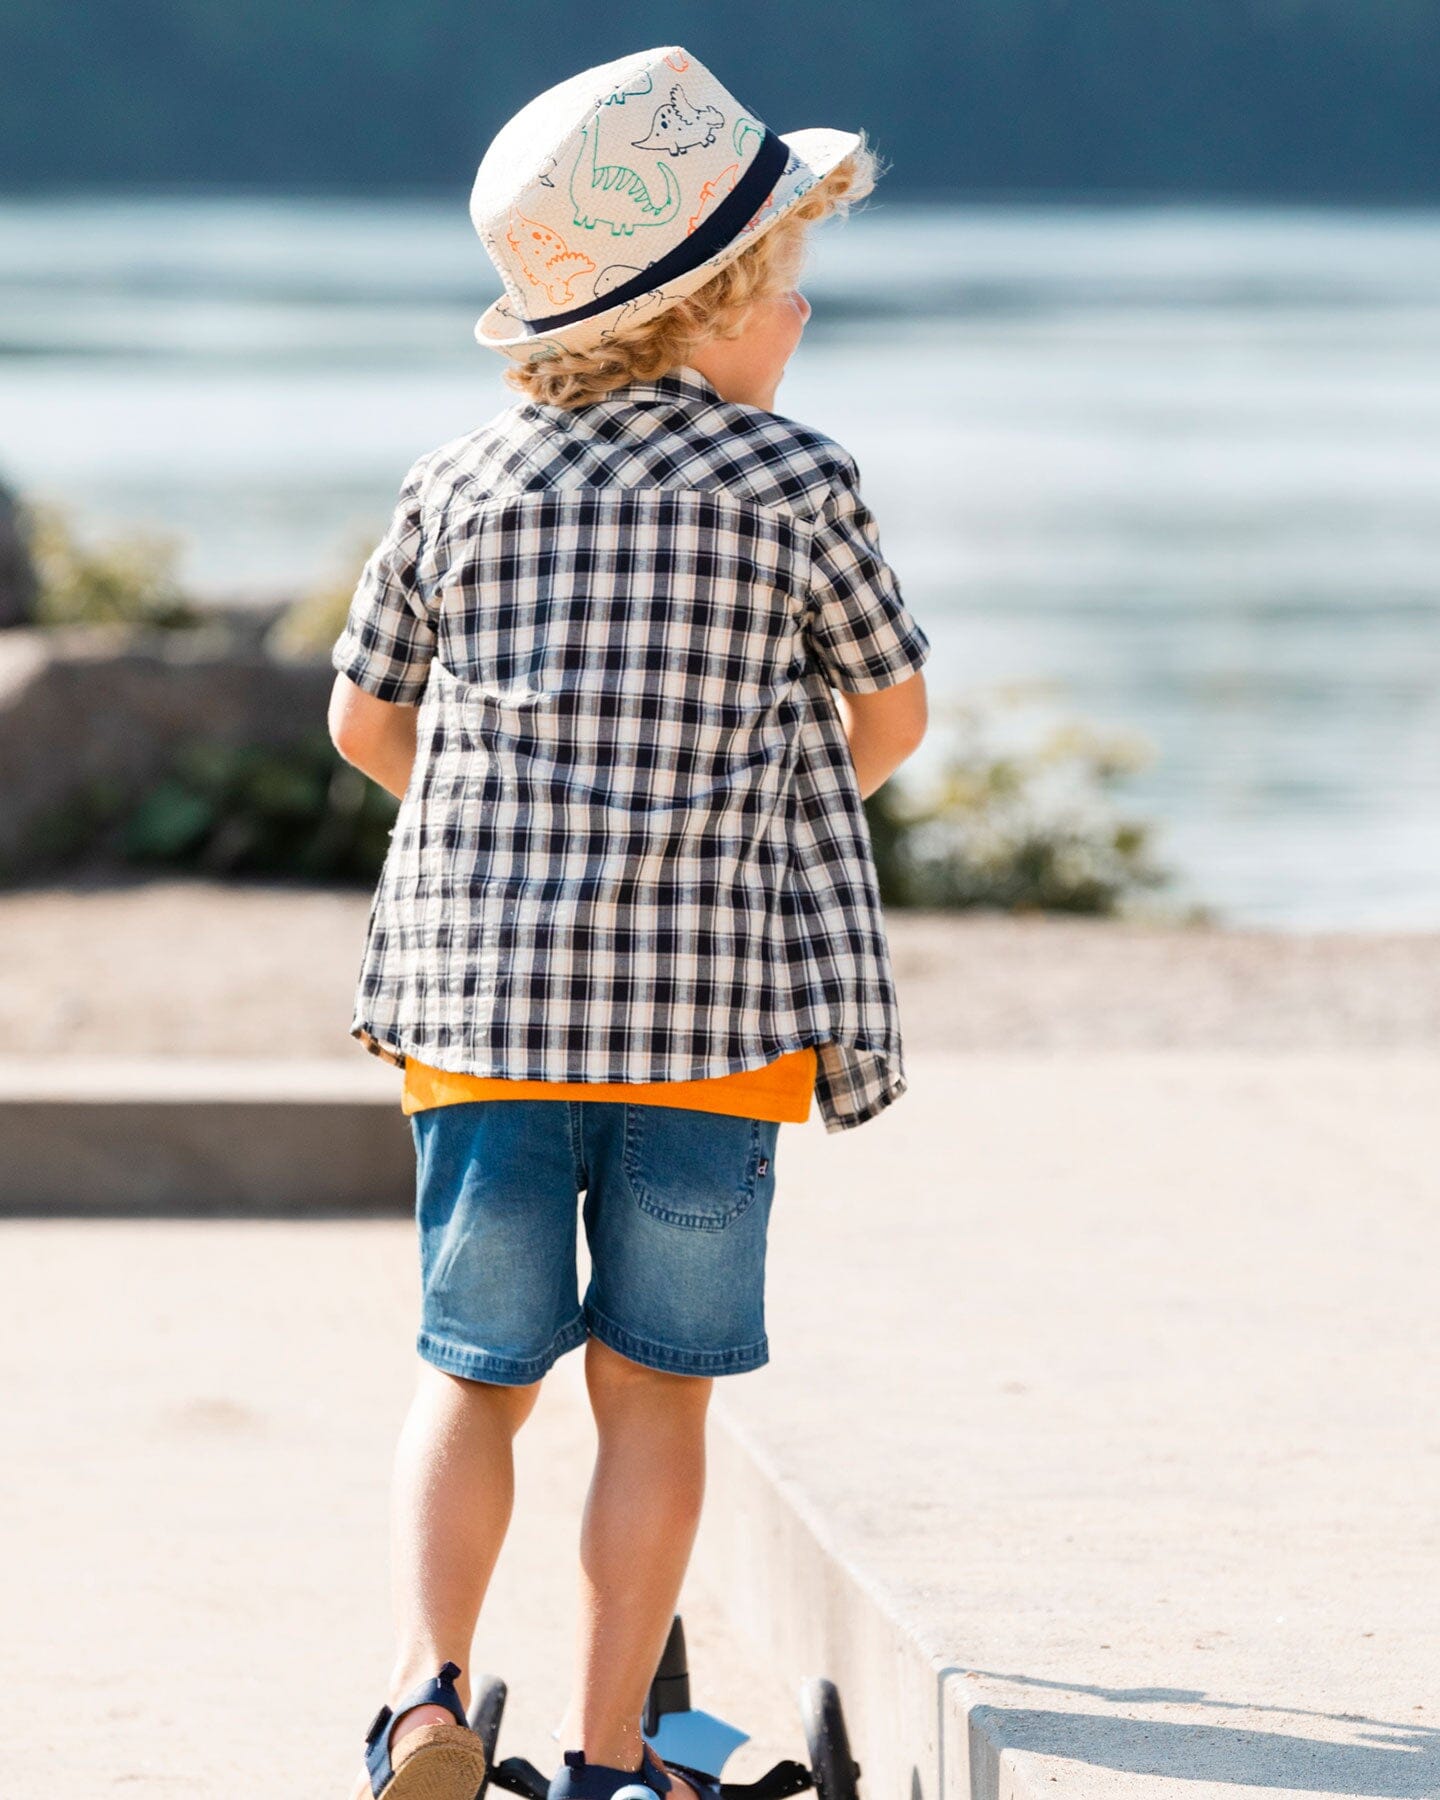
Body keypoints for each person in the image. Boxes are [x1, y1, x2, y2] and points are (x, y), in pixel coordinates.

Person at [327, 43, 931, 1800]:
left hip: (483, 1023)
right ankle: (610, 1757)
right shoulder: (795, 481)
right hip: (712, 1030)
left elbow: (366, 723)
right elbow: (891, 716)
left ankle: (423, 1701)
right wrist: (730, 826)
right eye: (787, 283)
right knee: (656, 1396)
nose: (802, 314)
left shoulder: (461, 479)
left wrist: (516, 837)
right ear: (711, 308)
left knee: (471, 1376)